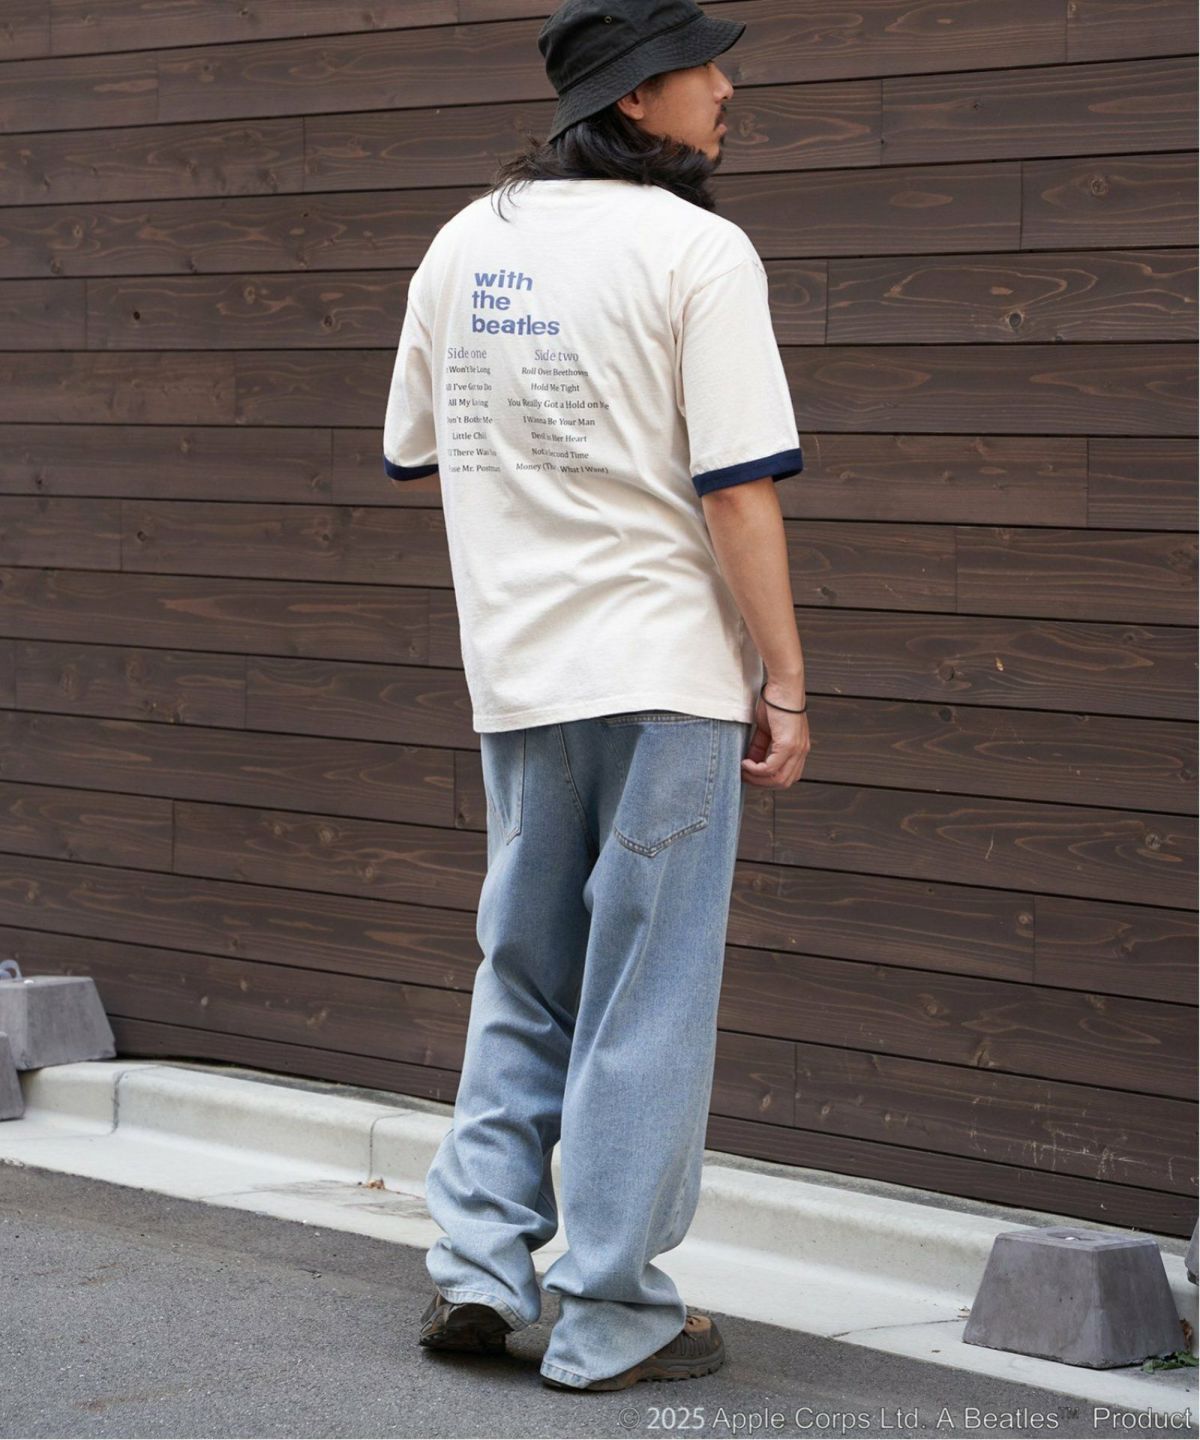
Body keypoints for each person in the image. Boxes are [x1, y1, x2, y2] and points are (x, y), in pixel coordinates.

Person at [384, 0, 811, 1393]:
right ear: (635, 97)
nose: (726, 88)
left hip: (521, 668)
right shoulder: (697, 250)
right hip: (664, 669)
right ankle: (614, 1309)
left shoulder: (465, 241)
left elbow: (425, 450)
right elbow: (736, 491)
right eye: (703, 68)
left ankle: (478, 1265)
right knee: (648, 990)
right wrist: (785, 677)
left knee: (523, 966)